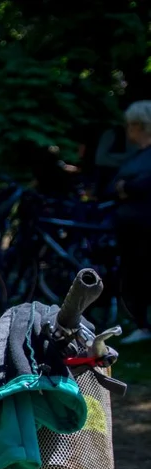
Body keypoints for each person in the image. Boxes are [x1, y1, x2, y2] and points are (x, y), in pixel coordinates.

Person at [113, 100, 151, 345]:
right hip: (132, 231)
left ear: (139, 125)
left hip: (145, 229)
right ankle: (143, 324)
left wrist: (127, 187)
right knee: (135, 277)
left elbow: (142, 186)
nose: (128, 131)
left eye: (130, 126)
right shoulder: (138, 156)